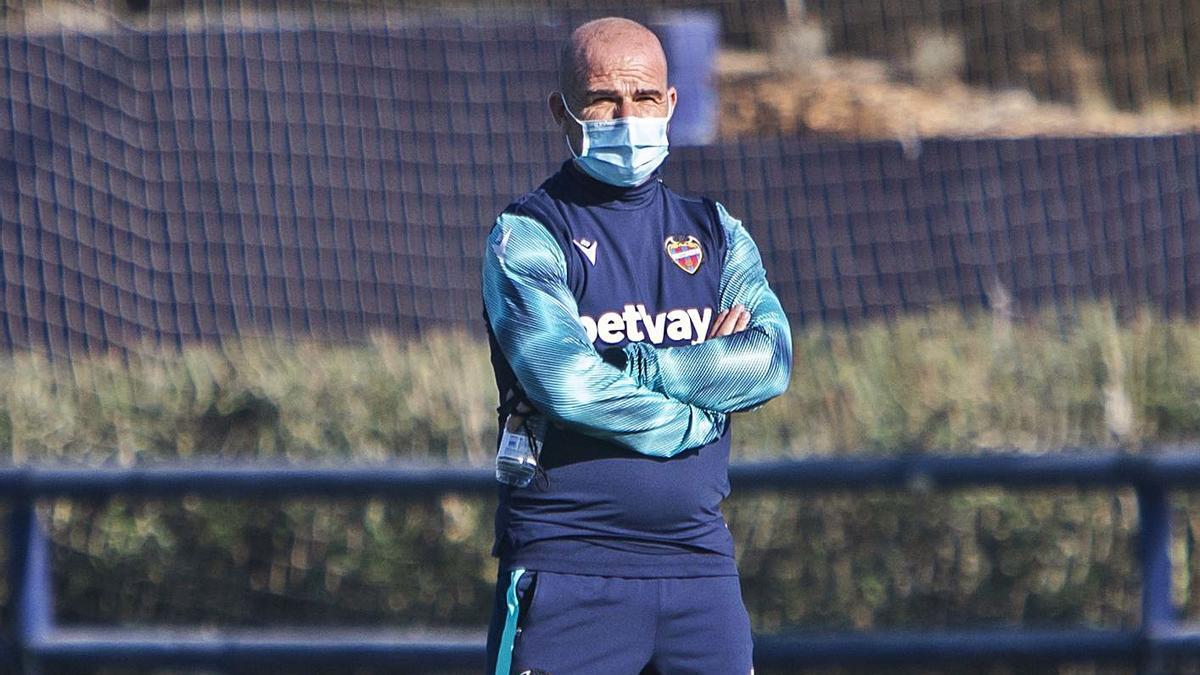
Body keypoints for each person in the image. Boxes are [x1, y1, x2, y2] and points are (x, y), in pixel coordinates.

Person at [481, 17, 792, 675]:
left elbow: (769, 359)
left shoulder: (716, 232)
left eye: (645, 98)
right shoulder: (527, 235)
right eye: (603, 99)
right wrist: (698, 409)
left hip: (700, 570)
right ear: (561, 112)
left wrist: (643, 364)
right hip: (568, 567)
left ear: (671, 104)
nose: (628, 116)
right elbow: (568, 384)